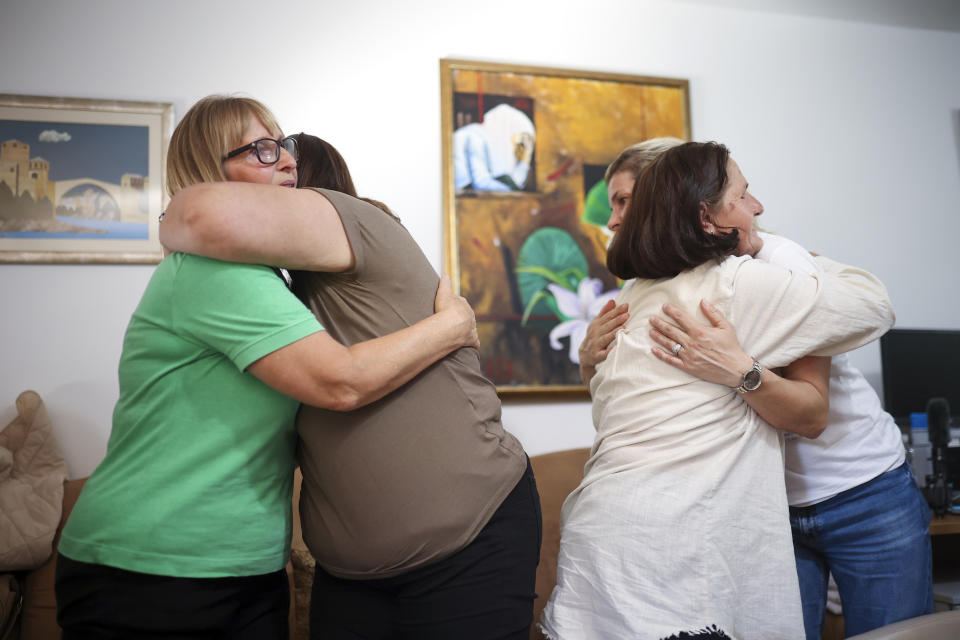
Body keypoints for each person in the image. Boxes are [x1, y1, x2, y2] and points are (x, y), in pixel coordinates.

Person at [54, 96, 479, 639]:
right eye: (260, 150)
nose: (285, 162)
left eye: (282, 146)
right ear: (212, 175)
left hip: (242, 565)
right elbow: (339, 381)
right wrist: (453, 325)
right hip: (151, 564)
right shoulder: (214, 274)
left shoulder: (270, 282)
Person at [160, 131, 542, 639]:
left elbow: (188, 220)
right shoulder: (273, 298)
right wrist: (450, 326)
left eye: (287, 164)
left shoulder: (358, 219)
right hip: (351, 577)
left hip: (471, 540)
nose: (278, 173)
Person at [539, 141, 896, 640]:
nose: (615, 219)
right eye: (744, 195)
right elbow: (874, 303)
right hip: (673, 540)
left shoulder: (649, 292)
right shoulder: (721, 286)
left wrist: (740, 364)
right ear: (706, 216)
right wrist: (588, 361)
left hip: (605, 534)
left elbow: (626, 411)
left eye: (626, 202)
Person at [453, 103, 536, 191]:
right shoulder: (475, 138)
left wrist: (526, 158)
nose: (516, 150)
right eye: (517, 145)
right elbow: (481, 183)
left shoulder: (487, 143)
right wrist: (511, 190)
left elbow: (515, 183)